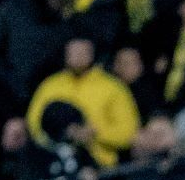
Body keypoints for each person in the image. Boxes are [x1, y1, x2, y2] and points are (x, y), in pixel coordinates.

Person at [26, 37, 142, 167]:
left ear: (92, 53)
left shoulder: (112, 86)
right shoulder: (50, 85)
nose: (79, 57)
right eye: (74, 52)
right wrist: (61, 137)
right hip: (55, 161)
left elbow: (129, 131)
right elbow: (34, 124)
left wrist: (94, 133)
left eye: (83, 52)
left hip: (102, 166)